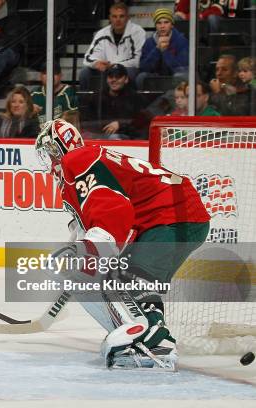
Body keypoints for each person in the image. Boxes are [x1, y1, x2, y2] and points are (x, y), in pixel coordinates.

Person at [34, 118, 210, 370]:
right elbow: (87, 225)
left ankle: (157, 344)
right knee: (125, 279)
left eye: (49, 153)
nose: (49, 163)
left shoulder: (77, 160)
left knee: (127, 278)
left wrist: (95, 246)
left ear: (59, 147)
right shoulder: (84, 164)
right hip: (176, 216)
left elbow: (111, 205)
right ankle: (140, 337)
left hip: (170, 216)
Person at [80, 2, 145, 90]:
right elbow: (88, 58)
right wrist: (96, 63)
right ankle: (86, 102)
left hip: (127, 69)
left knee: (131, 72)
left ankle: (128, 102)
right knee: (85, 72)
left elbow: (137, 60)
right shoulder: (102, 33)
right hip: (107, 70)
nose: (118, 20)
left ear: (127, 18)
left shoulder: (137, 31)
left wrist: (115, 65)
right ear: (110, 18)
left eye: (121, 16)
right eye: (114, 16)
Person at [82, 63, 146, 139]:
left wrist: (120, 125)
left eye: (118, 77)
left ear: (126, 79)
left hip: (127, 137)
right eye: (110, 77)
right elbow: (87, 120)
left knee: (114, 137)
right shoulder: (97, 97)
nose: (114, 80)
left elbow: (141, 122)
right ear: (107, 79)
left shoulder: (135, 98)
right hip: (99, 136)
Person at [136, 8, 188, 90]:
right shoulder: (149, 42)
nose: (162, 26)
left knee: (182, 75)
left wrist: (165, 51)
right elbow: (143, 68)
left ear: (172, 25)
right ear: (155, 25)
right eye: (159, 23)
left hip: (174, 77)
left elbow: (181, 67)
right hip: (156, 77)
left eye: (166, 22)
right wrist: (157, 49)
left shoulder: (181, 40)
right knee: (141, 77)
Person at [31, 61, 79, 128]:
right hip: (37, 135)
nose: (50, 76)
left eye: (54, 73)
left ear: (61, 75)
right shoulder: (34, 94)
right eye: (45, 73)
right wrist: (30, 111)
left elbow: (73, 117)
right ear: (40, 76)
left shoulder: (69, 92)